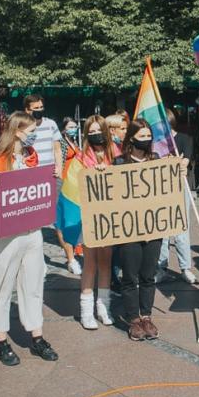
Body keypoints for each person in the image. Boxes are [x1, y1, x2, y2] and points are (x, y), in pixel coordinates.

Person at [0, 111, 58, 365]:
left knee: (34, 284)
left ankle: (37, 338)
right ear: (17, 131)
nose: (34, 134)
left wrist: (51, 179)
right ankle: (1, 341)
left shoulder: (30, 157)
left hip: (32, 230)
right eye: (30, 129)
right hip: (7, 235)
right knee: (2, 286)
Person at [114, 118, 183, 340]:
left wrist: (177, 170)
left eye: (148, 136)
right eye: (141, 136)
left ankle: (146, 316)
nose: (146, 140)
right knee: (130, 276)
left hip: (153, 228)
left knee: (148, 275)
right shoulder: (119, 163)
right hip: (129, 229)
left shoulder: (157, 160)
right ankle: (133, 319)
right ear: (131, 138)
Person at [75, 115, 117, 329]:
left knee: (106, 263)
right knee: (90, 263)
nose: (94, 135)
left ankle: (104, 306)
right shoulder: (80, 157)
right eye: (90, 132)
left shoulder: (115, 152)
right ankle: (86, 311)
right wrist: (92, 173)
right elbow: (75, 184)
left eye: (97, 130)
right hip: (89, 216)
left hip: (110, 216)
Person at [156, 108, 197, 284]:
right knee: (162, 230)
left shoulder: (185, 139)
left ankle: (185, 267)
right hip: (160, 189)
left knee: (182, 228)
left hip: (180, 187)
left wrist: (173, 163)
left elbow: (185, 162)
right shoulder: (156, 144)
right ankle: (161, 267)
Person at [56, 117, 82, 275]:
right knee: (61, 221)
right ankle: (71, 258)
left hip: (75, 183)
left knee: (74, 217)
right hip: (62, 183)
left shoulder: (74, 141)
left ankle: (76, 247)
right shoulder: (60, 142)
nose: (74, 128)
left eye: (75, 126)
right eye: (71, 126)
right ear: (64, 128)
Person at [23, 94, 63, 177]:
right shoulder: (23, 127)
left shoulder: (51, 124)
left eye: (41, 107)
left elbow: (57, 150)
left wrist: (59, 168)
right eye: (36, 108)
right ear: (27, 110)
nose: (40, 110)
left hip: (50, 172)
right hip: (31, 172)